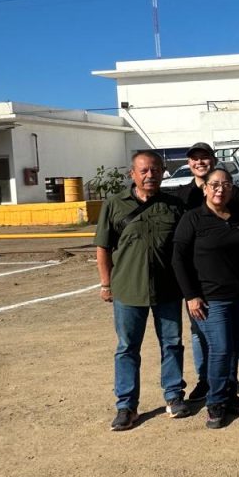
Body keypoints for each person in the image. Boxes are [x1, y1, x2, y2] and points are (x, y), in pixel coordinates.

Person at [96, 150, 188, 431]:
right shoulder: (114, 205)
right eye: (145, 170)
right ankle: (126, 405)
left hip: (167, 289)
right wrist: (106, 283)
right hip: (128, 289)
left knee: (171, 343)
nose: (151, 175)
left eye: (156, 170)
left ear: (163, 172)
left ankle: (173, 396)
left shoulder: (173, 205)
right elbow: (103, 247)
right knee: (127, 348)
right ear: (132, 174)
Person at [168, 141, 239, 403]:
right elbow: (180, 254)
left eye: (205, 158)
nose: (200, 162)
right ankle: (211, 387)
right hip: (206, 290)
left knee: (235, 339)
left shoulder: (237, 200)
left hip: (238, 287)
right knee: (210, 341)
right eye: (194, 159)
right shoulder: (185, 198)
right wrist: (191, 293)